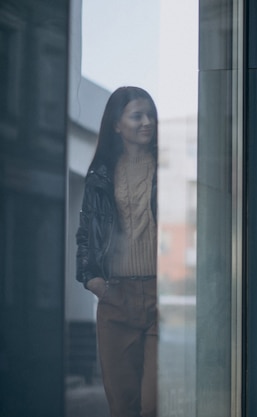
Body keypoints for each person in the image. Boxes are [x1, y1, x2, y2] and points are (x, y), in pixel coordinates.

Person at [76, 86, 158, 417]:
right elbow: (86, 234)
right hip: (116, 299)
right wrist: (92, 279)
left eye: (151, 114)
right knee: (123, 408)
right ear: (116, 124)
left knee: (154, 405)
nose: (147, 122)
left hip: (160, 298)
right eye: (137, 115)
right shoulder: (100, 175)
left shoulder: (168, 170)